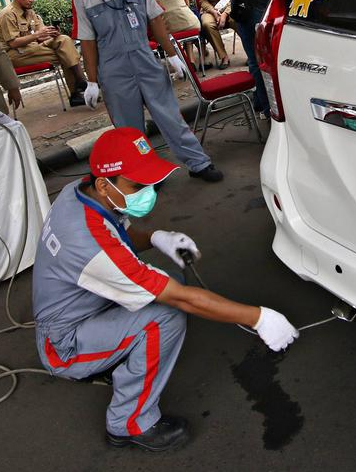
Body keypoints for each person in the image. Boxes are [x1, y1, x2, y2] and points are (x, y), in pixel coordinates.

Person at [33, 127, 298, 451]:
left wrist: (157, 237)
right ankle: (128, 422)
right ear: (104, 184)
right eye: (138, 185)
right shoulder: (89, 245)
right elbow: (180, 299)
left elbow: (118, 237)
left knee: (172, 277)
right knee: (166, 318)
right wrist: (258, 318)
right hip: (64, 345)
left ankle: (116, 360)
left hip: (90, 307)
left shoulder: (82, 192)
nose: (148, 191)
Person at [72, 0, 223, 183]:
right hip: (114, 71)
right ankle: (144, 175)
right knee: (130, 131)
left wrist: (172, 54)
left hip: (145, 60)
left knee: (170, 117)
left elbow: (156, 19)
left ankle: (198, 163)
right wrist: (92, 80)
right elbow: (87, 42)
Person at [0, 0, 88, 107]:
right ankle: (78, 88)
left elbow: (40, 35)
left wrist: (50, 33)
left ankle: (79, 83)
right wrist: (38, 35)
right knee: (64, 53)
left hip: (34, 48)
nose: (31, 0)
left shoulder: (30, 12)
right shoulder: (7, 14)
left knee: (64, 40)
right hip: (15, 54)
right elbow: (13, 43)